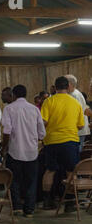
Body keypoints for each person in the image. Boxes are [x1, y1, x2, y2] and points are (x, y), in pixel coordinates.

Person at [40, 76, 84, 212]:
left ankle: (47, 201)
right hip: (70, 141)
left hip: (52, 141)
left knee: (50, 170)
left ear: (56, 87)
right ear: (68, 87)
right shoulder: (75, 103)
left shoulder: (48, 101)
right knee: (71, 171)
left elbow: (43, 122)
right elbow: (81, 125)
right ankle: (70, 203)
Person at [2, 85, 46, 218]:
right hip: (32, 152)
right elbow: (42, 133)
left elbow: (6, 131)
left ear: (14, 95)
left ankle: (17, 207)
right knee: (31, 181)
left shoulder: (9, 108)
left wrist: (4, 147)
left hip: (14, 151)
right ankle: (29, 210)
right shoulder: (34, 109)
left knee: (14, 179)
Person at [65, 74, 90, 152]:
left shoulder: (74, 95)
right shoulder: (72, 94)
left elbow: (75, 114)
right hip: (77, 130)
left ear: (69, 84)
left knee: (75, 154)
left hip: (78, 131)